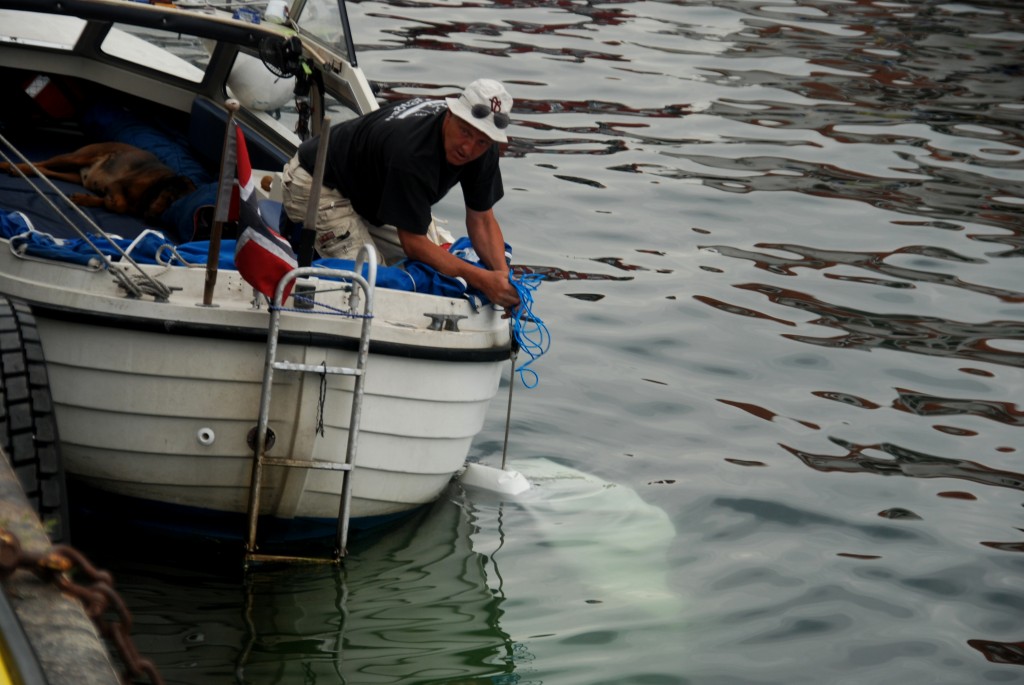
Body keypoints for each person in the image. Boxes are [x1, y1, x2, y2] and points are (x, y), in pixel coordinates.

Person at [281, 78, 520, 310]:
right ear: (450, 114)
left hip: (373, 189)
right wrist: (481, 280)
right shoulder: (413, 153)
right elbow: (414, 244)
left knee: (439, 261)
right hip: (317, 182)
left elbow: (482, 219)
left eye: (481, 141)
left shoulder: (483, 149)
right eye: (465, 132)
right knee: (373, 286)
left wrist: (503, 281)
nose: (468, 148)